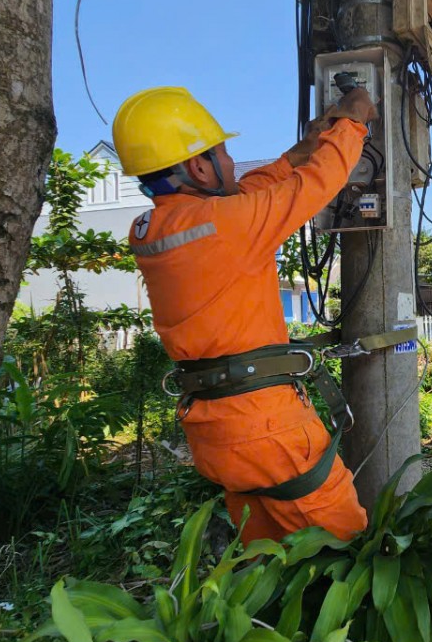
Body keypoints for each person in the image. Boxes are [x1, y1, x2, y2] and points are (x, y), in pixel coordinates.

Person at [111, 84, 378, 545]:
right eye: (224, 153)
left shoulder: (157, 229)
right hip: (266, 430)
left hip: (214, 432)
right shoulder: (227, 224)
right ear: (198, 166)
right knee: (345, 551)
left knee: (266, 563)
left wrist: (304, 147)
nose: (233, 162)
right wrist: (353, 121)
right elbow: (316, 184)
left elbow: (249, 194)